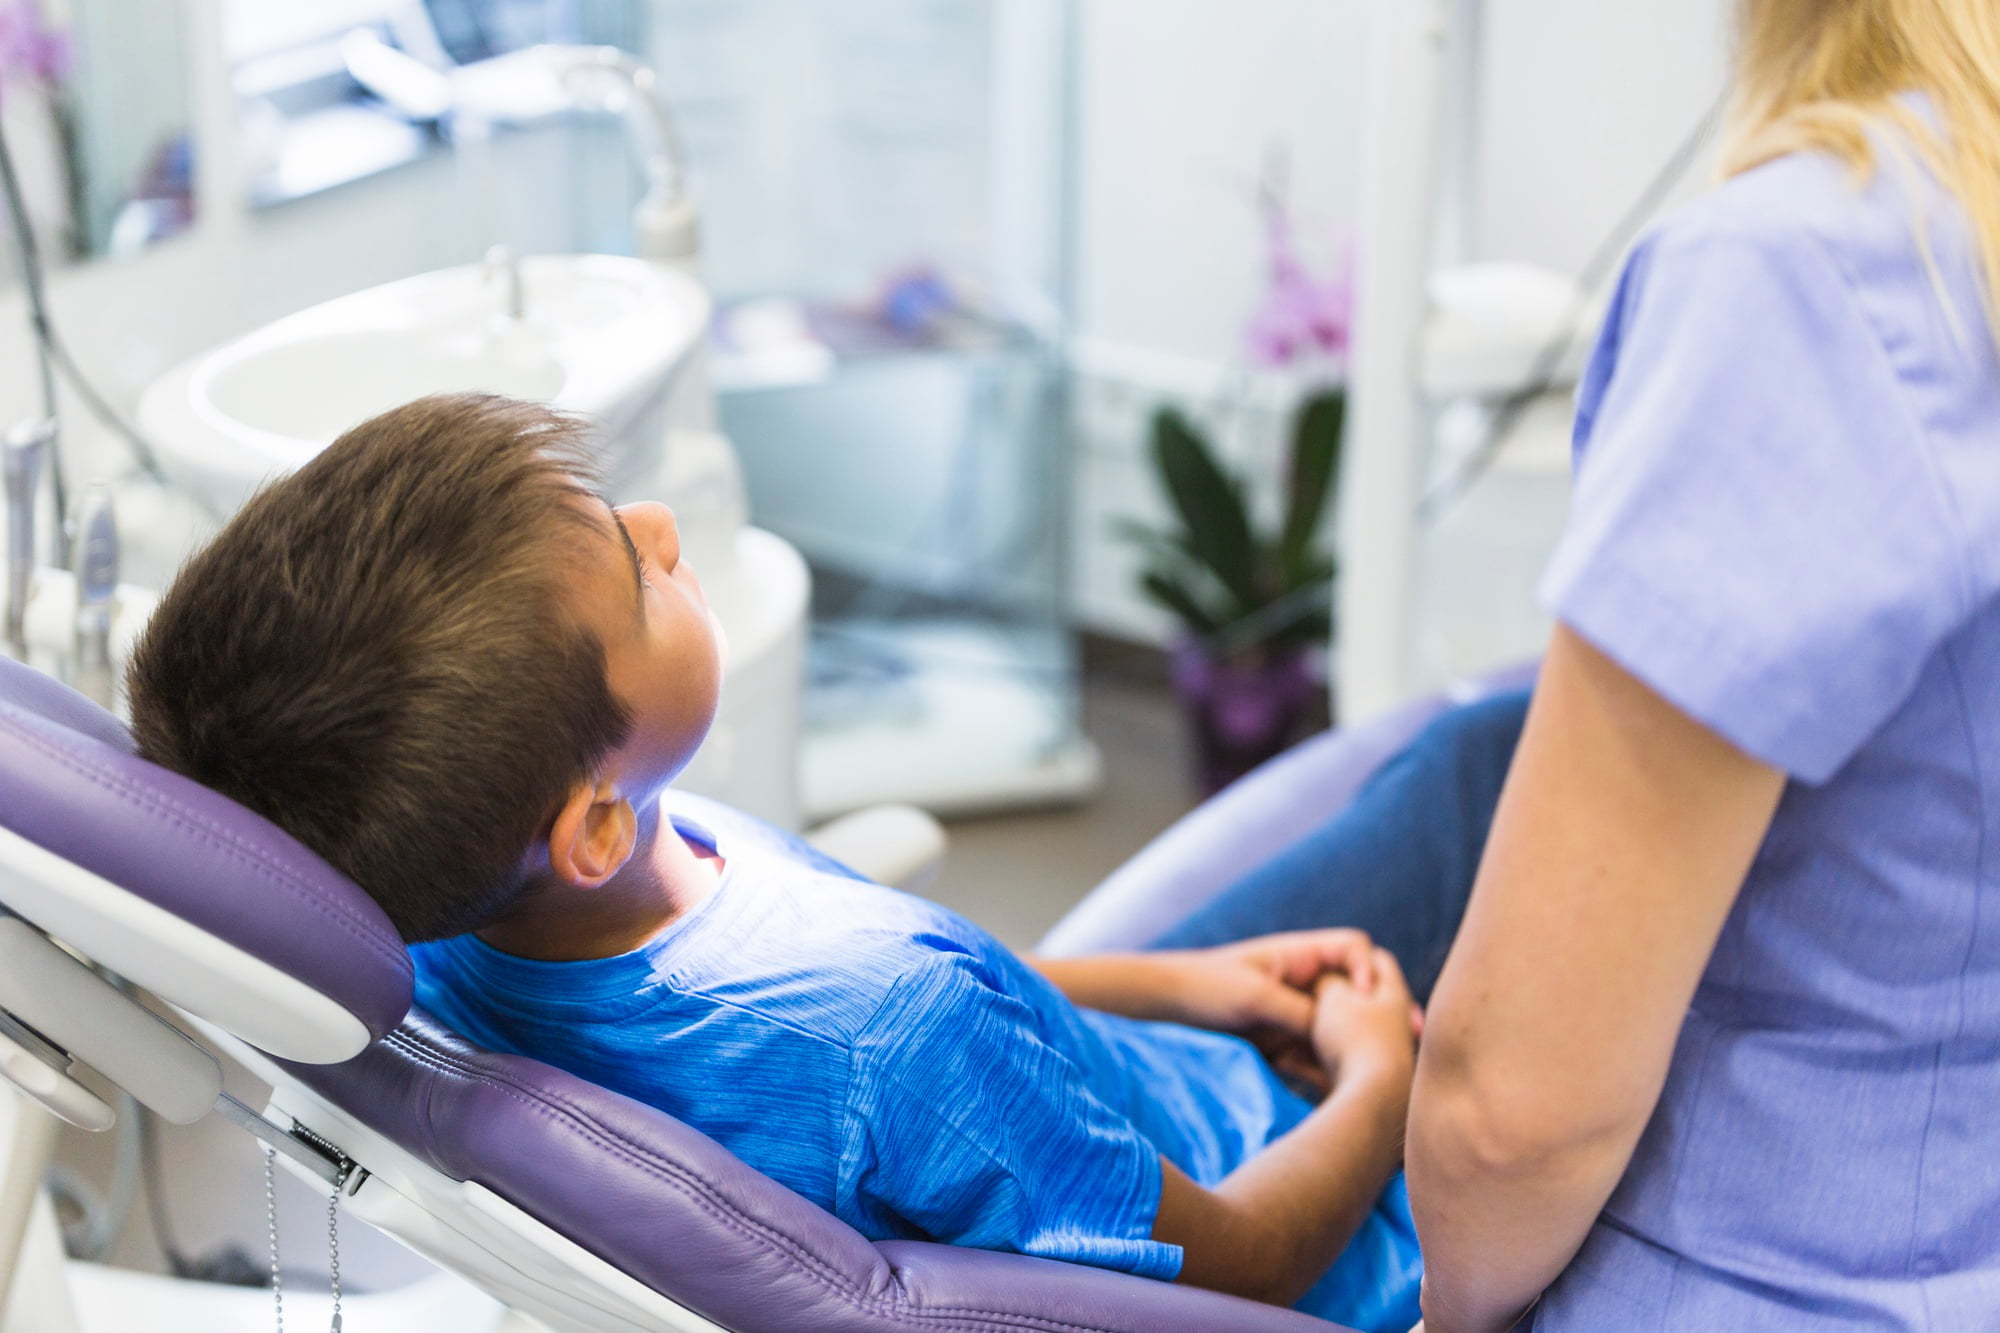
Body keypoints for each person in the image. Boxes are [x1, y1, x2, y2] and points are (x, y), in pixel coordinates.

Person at [124, 393, 1439, 1330]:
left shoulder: (434, 922)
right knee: (1455, 772)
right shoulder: (896, 1027)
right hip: (1349, 1224)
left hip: (1144, 1071)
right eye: (636, 581)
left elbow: (954, 1058)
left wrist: (1176, 981)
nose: (656, 524)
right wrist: (1384, 1080)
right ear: (587, 825)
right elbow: (1252, 1263)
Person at [1398, 2, 2000, 1328]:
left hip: (1756, 1283)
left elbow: (1510, 1118)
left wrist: (1438, 1316)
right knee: (1444, 766)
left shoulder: (1813, 271)